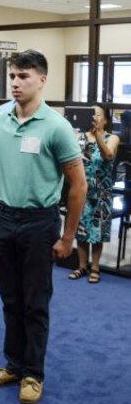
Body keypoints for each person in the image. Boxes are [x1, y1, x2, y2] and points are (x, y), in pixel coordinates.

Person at [0, 50, 87, 404]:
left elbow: (79, 185)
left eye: (23, 76)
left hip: (40, 223)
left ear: (42, 80)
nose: (15, 82)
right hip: (5, 220)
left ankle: (33, 374)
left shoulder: (56, 127)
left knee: (35, 303)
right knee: (11, 299)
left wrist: (68, 237)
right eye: (12, 75)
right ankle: (14, 364)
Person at [68, 105, 119, 284]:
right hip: (81, 189)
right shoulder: (79, 137)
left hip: (101, 191)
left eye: (97, 115)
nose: (94, 117)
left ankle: (95, 267)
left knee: (97, 230)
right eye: (92, 114)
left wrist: (97, 134)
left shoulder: (112, 138)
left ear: (105, 120)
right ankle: (82, 266)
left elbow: (108, 155)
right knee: (81, 229)